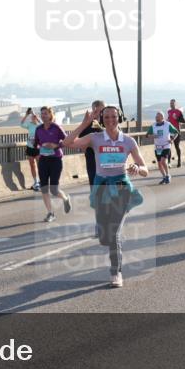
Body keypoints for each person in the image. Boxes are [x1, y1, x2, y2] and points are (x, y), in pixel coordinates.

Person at [63, 105, 149, 288]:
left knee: (114, 232)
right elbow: (67, 143)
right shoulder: (95, 138)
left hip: (121, 188)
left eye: (114, 117)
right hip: (101, 189)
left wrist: (137, 168)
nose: (111, 120)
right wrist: (85, 122)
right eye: (107, 117)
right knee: (104, 236)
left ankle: (116, 272)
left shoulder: (128, 141)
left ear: (119, 118)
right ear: (102, 119)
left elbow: (145, 170)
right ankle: (114, 242)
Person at [34, 106, 73, 223]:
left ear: (51, 115)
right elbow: (36, 143)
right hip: (43, 161)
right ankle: (50, 213)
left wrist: (55, 145)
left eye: (46, 113)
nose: (43, 115)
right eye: (42, 114)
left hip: (56, 160)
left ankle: (65, 199)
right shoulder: (38, 129)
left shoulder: (56, 128)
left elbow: (67, 140)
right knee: (44, 188)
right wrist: (38, 153)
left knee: (54, 190)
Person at [147, 111, 178, 184]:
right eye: (156, 116)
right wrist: (152, 136)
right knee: (159, 164)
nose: (156, 118)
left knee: (163, 161)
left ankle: (168, 175)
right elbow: (147, 135)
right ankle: (164, 177)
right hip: (158, 147)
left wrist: (172, 139)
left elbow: (176, 132)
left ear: (162, 117)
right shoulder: (153, 126)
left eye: (158, 116)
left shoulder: (167, 124)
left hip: (166, 145)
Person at [80, 100, 105, 185]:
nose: (98, 113)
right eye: (95, 111)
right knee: (94, 184)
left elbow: (114, 136)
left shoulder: (110, 122)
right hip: (92, 159)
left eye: (102, 110)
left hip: (107, 160)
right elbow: (80, 138)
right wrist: (85, 123)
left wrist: (99, 127)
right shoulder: (88, 124)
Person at [20, 107, 41, 191]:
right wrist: (26, 115)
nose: (33, 118)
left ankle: (42, 181)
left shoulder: (40, 125)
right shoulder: (29, 124)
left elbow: (43, 124)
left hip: (38, 147)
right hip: (30, 147)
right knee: (32, 165)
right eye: (32, 117)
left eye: (34, 117)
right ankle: (36, 181)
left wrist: (36, 115)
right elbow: (21, 124)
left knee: (40, 165)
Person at [167, 99, 185, 167]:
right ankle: (169, 162)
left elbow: (183, 121)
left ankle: (179, 161)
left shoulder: (178, 112)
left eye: (173, 103)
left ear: (175, 104)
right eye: (170, 103)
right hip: (169, 132)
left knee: (177, 146)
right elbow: (169, 119)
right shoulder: (169, 111)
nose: (171, 104)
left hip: (176, 131)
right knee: (168, 147)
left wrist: (177, 119)